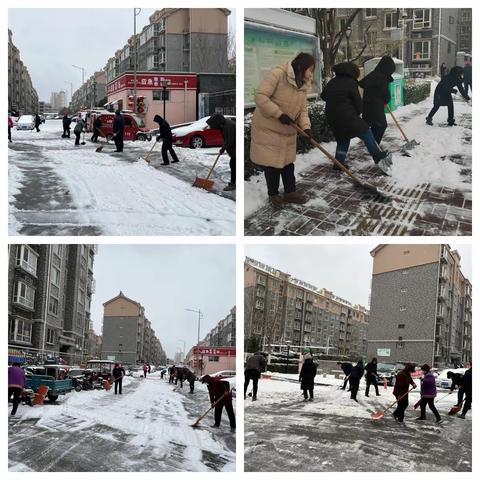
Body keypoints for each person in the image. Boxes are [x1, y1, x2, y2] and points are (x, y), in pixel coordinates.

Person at [250, 52, 315, 208]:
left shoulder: (303, 84)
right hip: (268, 129)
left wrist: (306, 127)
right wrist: (279, 114)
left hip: (287, 131)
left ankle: (290, 192)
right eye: (310, 69)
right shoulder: (278, 74)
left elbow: (303, 110)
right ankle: (273, 195)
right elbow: (260, 97)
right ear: (301, 67)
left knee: (287, 164)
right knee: (272, 166)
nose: (311, 73)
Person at [321, 62, 392, 173]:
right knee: (366, 132)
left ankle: (338, 163)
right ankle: (377, 156)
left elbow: (323, 95)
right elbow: (358, 103)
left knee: (343, 139)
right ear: (352, 72)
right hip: (348, 116)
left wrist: (336, 100)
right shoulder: (351, 82)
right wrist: (358, 111)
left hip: (332, 117)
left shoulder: (332, 81)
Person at [358, 55, 396, 145]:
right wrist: (386, 100)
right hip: (376, 107)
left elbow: (362, 83)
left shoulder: (373, 74)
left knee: (374, 125)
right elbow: (386, 94)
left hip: (367, 105)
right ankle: (374, 145)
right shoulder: (383, 77)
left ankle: (372, 143)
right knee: (381, 125)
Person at [206, 113, 236, 191]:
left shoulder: (228, 126)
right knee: (234, 165)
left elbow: (229, 140)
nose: (212, 127)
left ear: (217, 122)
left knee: (233, 165)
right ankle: (234, 183)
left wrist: (223, 149)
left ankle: (233, 184)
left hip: (236, 149)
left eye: (213, 125)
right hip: (234, 149)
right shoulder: (224, 124)